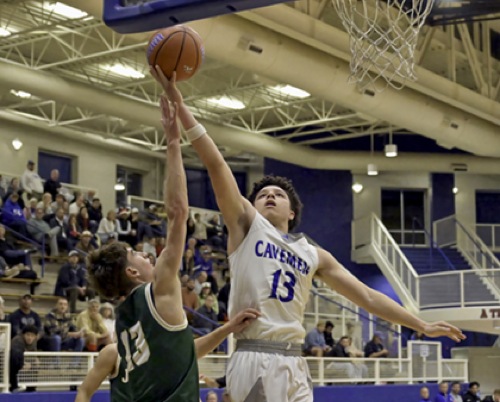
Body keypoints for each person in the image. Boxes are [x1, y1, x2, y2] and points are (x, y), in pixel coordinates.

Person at [152, 67, 466, 402]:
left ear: (292, 212)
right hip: (255, 353)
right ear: (252, 206)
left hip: (295, 360)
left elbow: (368, 297)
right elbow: (217, 165)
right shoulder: (246, 226)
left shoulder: (314, 255)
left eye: (278, 194)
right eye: (262, 195)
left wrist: (420, 324)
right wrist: (181, 109)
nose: (269, 196)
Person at [86, 95, 259, 402]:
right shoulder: (160, 287)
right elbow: (178, 213)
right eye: (136, 254)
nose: (145, 254)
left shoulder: (125, 321)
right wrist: (174, 142)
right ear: (132, 272)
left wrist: (227, 328)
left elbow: (182, 353)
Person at [75, 312, 257, 402]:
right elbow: (84, 391)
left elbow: (196, 348)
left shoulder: (164, 348)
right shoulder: (113, 352)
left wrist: (229, 328)